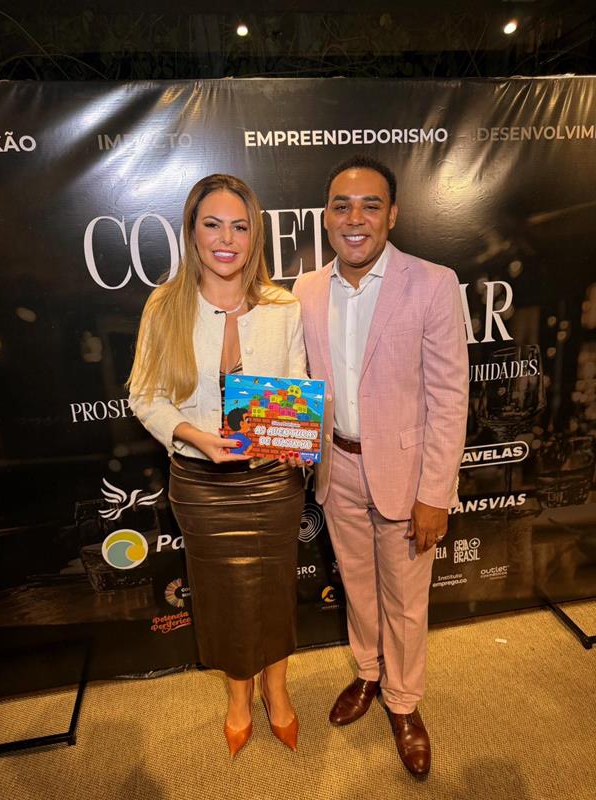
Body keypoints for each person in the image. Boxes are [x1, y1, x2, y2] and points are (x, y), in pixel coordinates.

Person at [293, 155, 468, 778]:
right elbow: (298, 384)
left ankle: (403, 702)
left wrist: (435, 493)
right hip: (335, 468)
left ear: (392, 215)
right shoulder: (306, 289)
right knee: (358, 587)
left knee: (407, 600)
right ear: (326, 217)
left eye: (370, 205)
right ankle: (368, 672)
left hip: (408, 475)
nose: (355, 218)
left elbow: (449, 396)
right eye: (341, 206)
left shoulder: (433, 283)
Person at [128, 174, 306, 757]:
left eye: (239, 226)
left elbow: (298, 388)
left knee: (275, 588)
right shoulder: (165, 305)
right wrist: (196, 437)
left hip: (273, 482)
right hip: (200, 485)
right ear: (192, 231)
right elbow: (145, 396)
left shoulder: (283, 307)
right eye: (212, 224)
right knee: (223, 595)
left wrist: (292, 433)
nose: (226, 239)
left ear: (255, 236)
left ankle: (277, 690)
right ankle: (238, 696)